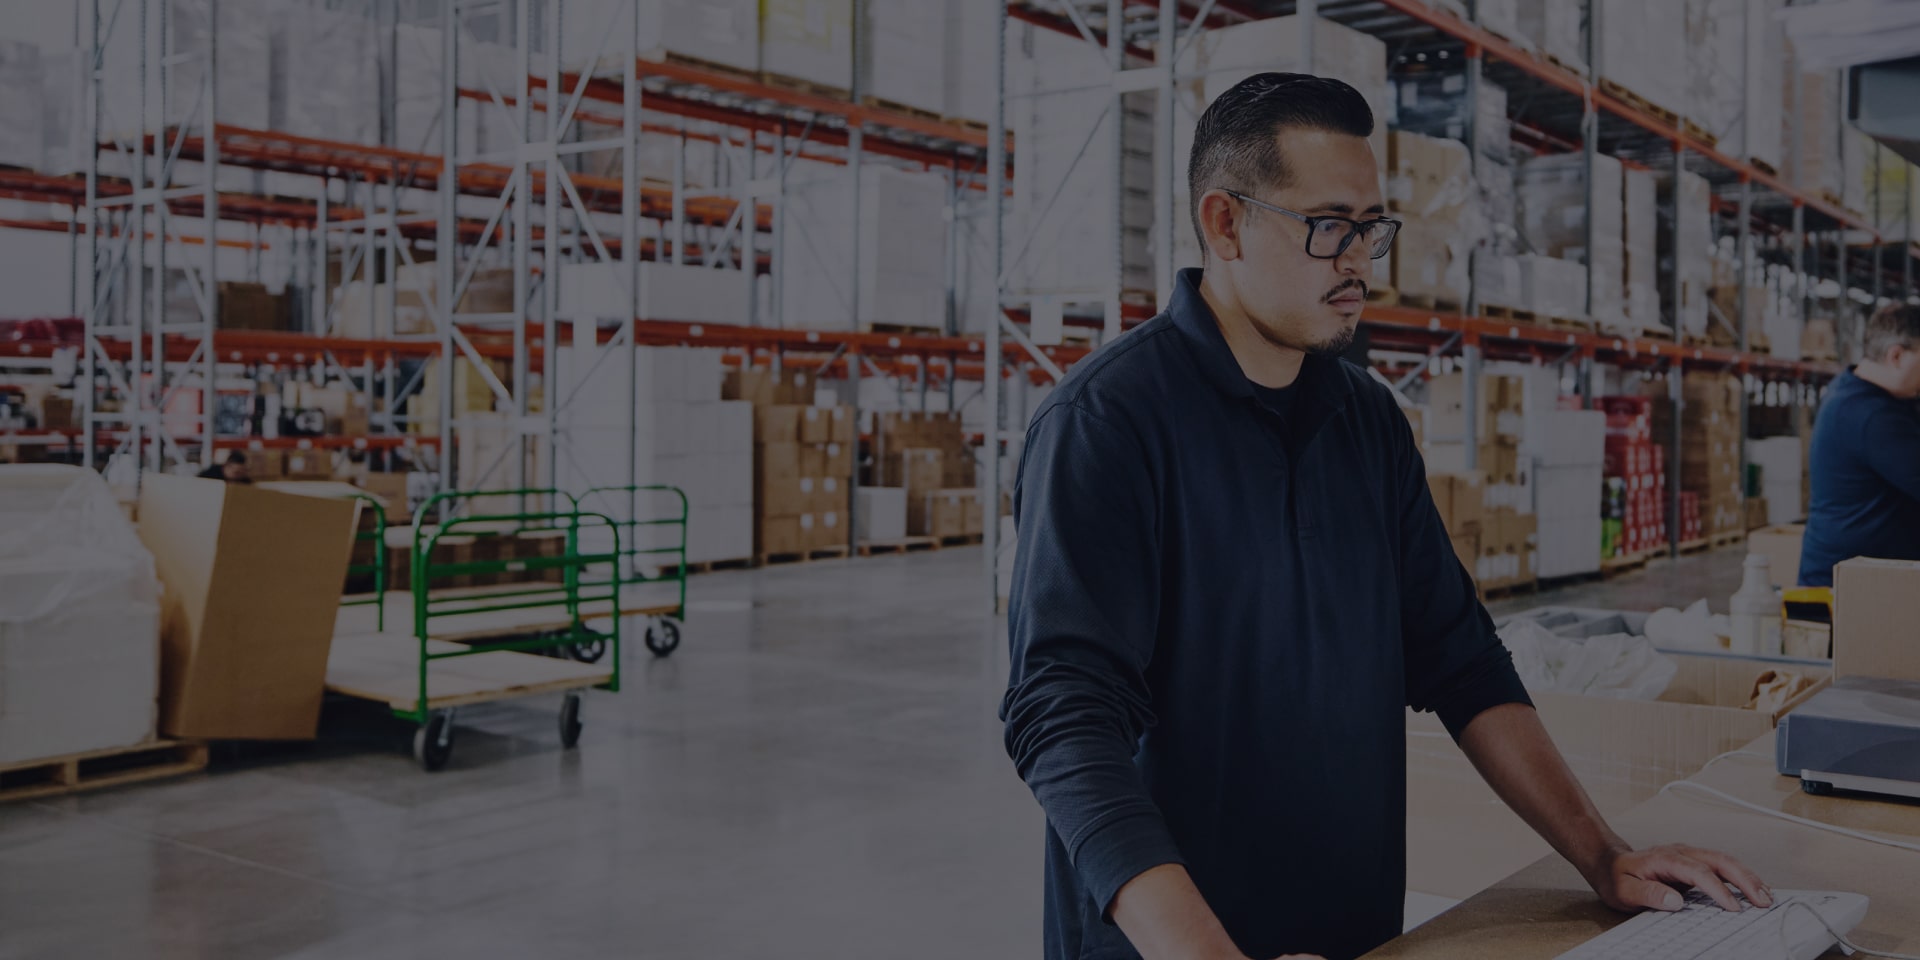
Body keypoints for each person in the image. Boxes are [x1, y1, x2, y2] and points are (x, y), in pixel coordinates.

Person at [1000, 73, 1771, 960]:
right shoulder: (1108, 424)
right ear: (1224, 222)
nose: (1361, 262)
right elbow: (1062, 719)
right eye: (1330, 228)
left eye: (1372, 229)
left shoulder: (1366, 420)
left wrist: (1604, 856)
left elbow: (1461, 659)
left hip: (1355, 935)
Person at [1798, 303, 1920, 587]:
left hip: (1869, 583)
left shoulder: (1862, 390)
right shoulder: (1869, 415)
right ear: (1897, 356)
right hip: (1846, 594)